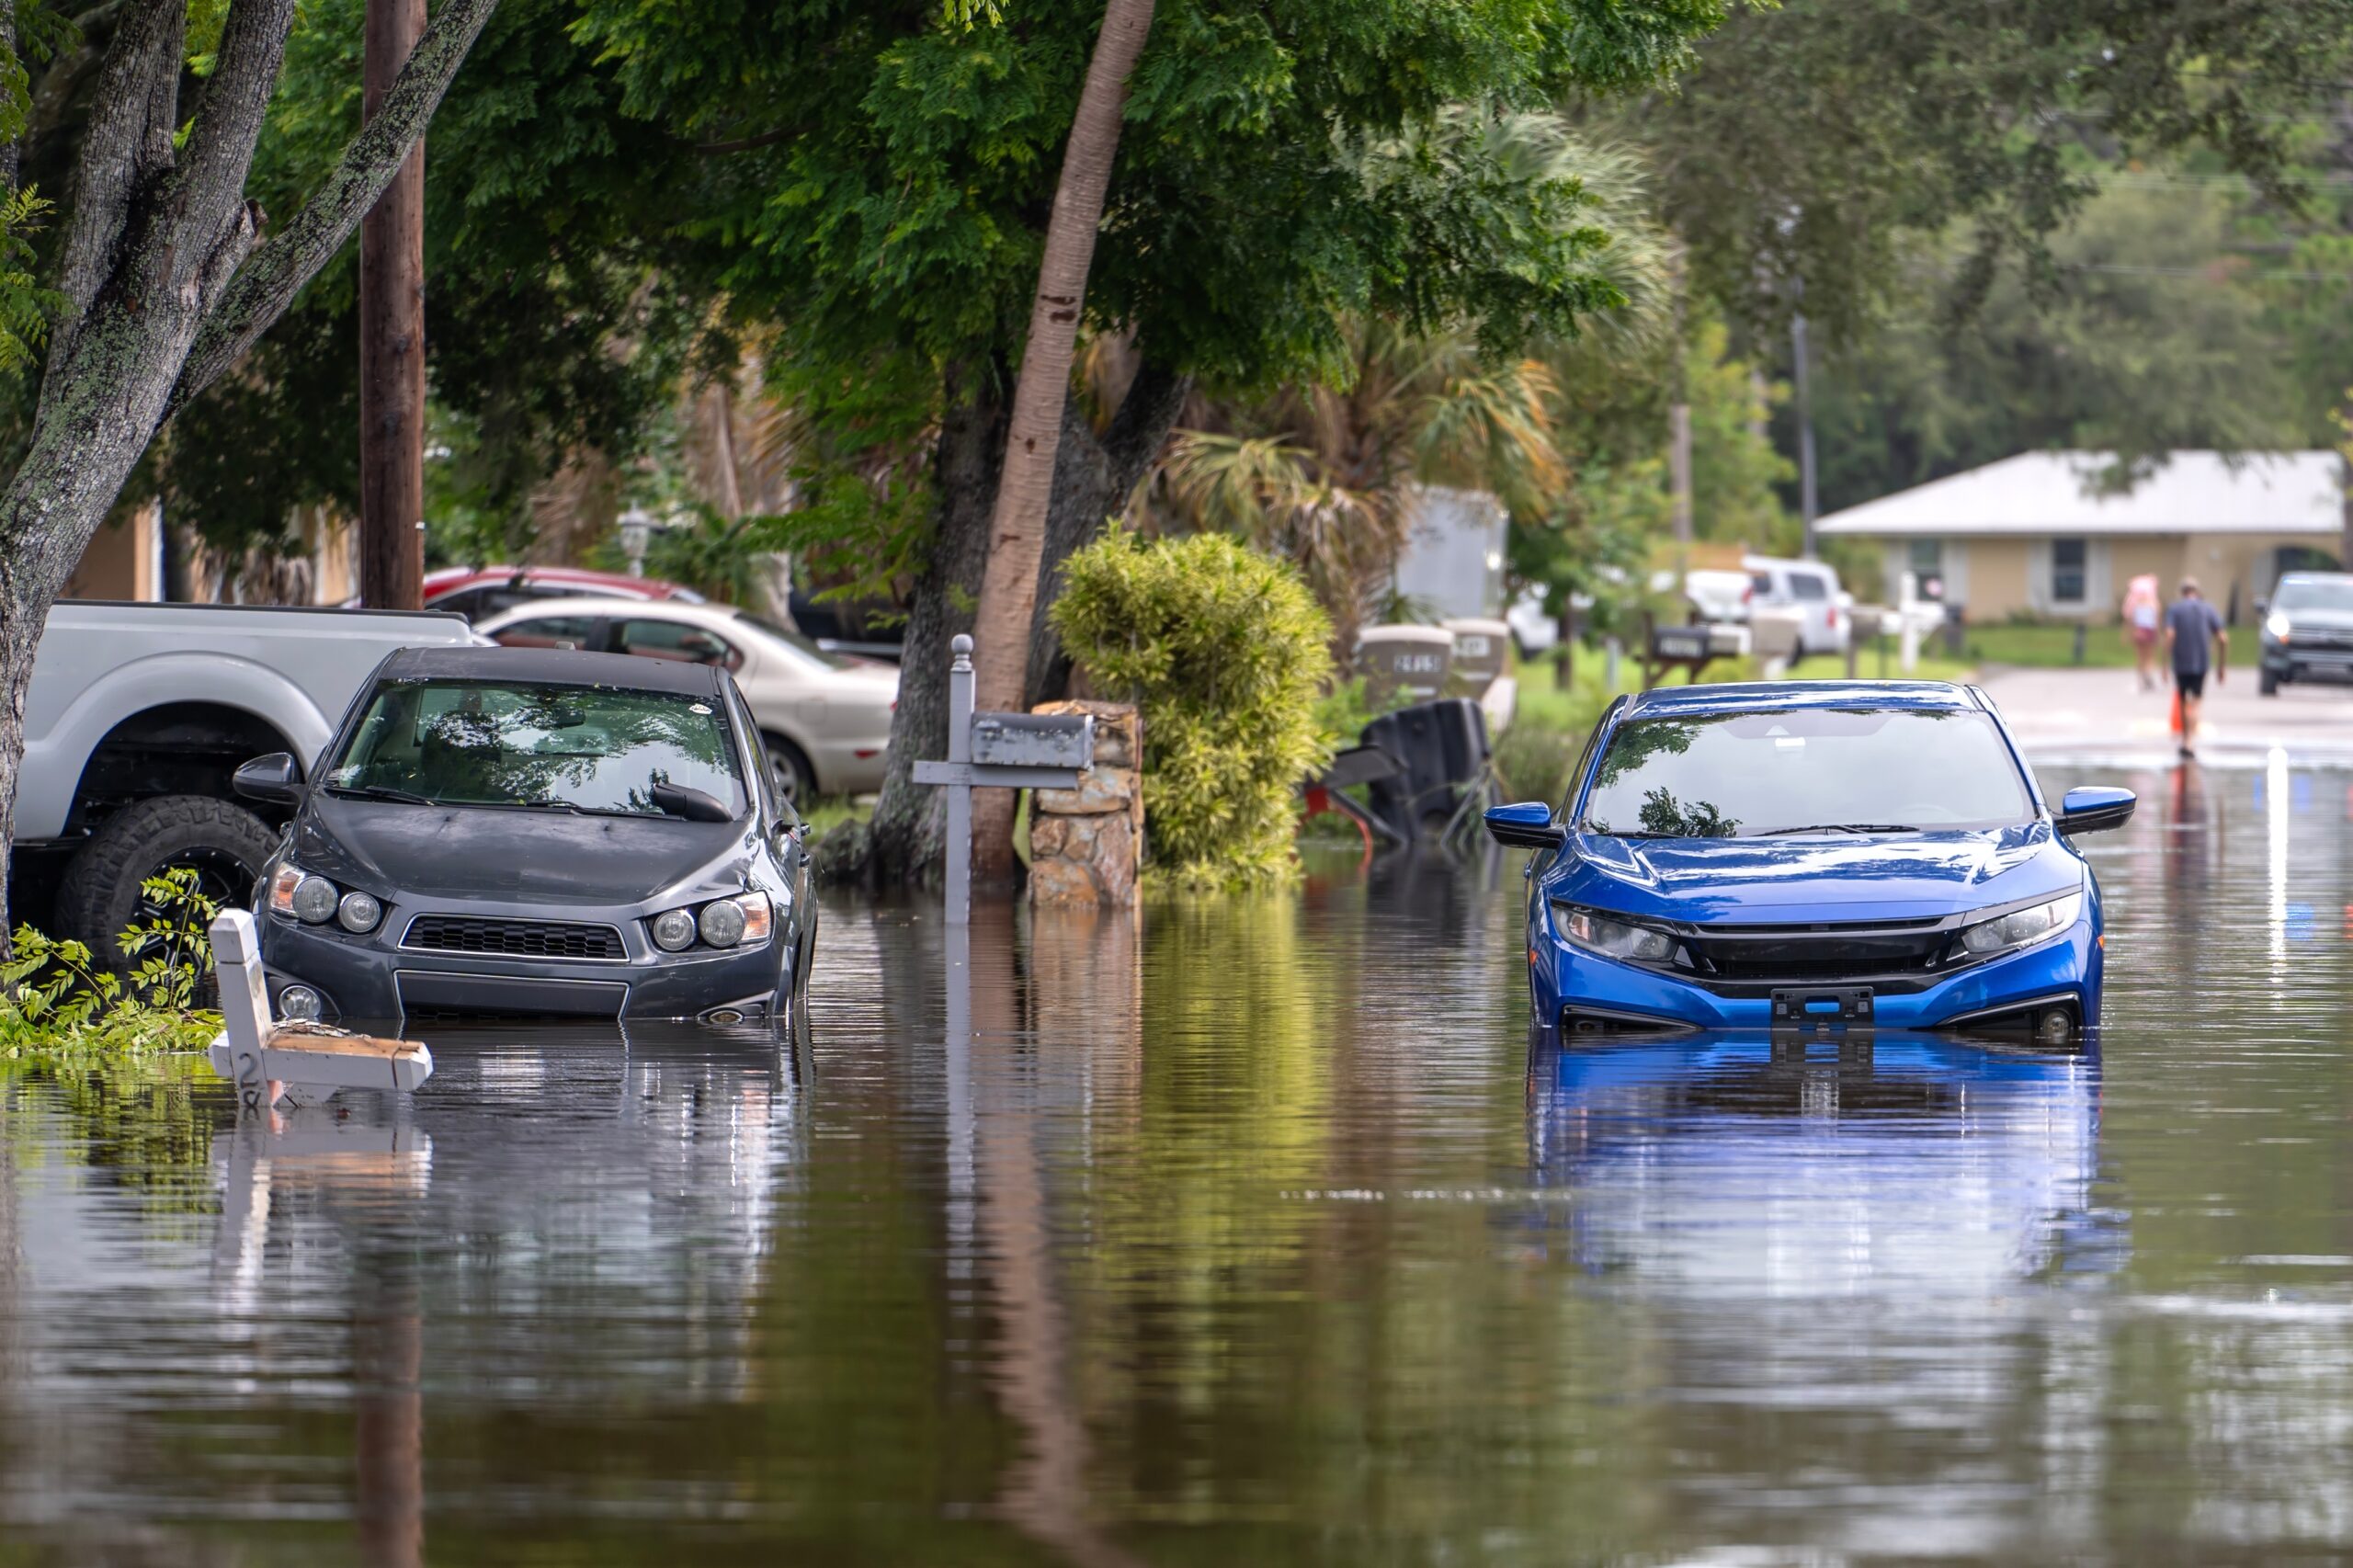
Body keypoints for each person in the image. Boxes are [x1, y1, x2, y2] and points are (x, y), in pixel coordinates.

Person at [2163, 576, 2227, 757]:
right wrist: (2222, 666)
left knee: (2183, 701)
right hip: (2201, 663)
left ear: (2182, 592)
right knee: (2196, 703)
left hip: (2181, 663)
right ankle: (2190, 741)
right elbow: (2223, 638)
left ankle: (2186, 740)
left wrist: (2164, 665)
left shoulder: (2175, 609)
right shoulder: (2208, 609)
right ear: (2197, 592)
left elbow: (2169, 635)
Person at [2122, 574, 2162, 691]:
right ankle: (2148, 675)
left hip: (2139, 632)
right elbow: (2156, 621)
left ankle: (2140, 679)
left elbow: (2131, 621)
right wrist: (2159, 635)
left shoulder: (2134, 605)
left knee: (2140, 656)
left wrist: (2127, 634)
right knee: (2150, 656)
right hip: (2149, 631)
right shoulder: (2154, 604)